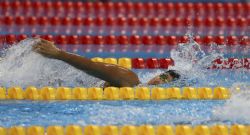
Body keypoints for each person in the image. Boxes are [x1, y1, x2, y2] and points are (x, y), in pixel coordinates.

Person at [33, 39, 180, 87]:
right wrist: (59, 54)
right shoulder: (131, 79)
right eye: (163, 77)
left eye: (166, 83)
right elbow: (93, 67)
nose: (160, 83)